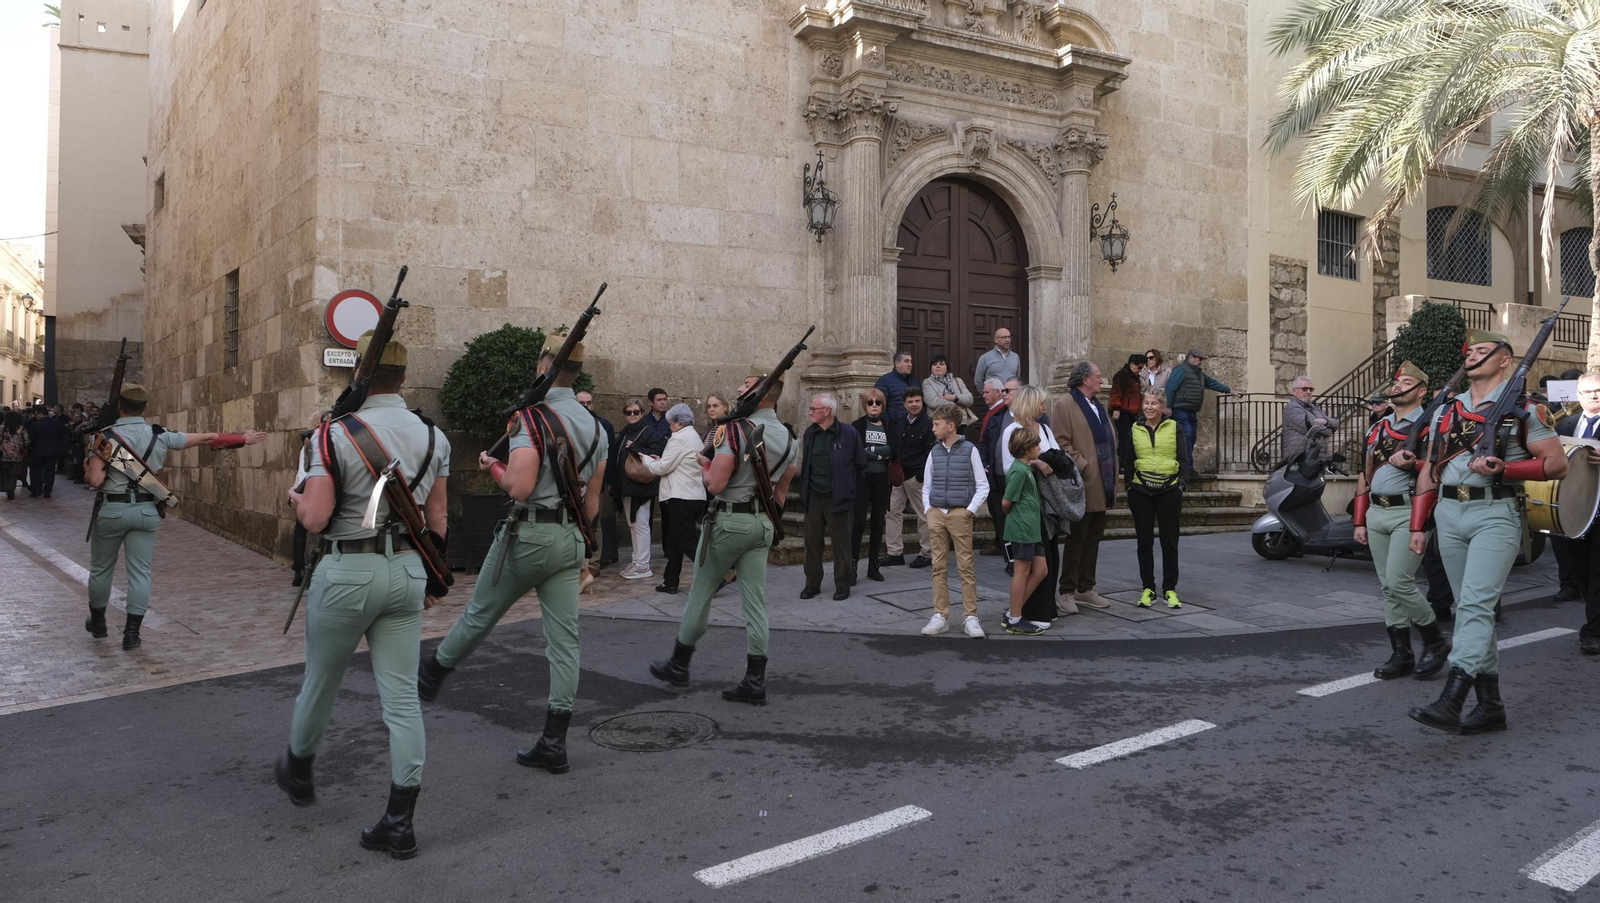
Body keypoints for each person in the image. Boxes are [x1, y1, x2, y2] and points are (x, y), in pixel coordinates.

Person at [274, 333, 446, 858]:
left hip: (348, 569)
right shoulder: (434, 437)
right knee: (400, 698)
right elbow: (437, 520)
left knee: (321, 681)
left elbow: (316, 517)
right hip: (407, 570)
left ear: (359, 375)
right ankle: (400, 820)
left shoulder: (332, 435)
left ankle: (299, 769)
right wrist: (428, 578)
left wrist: (296, 495)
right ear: (403, 376)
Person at [417, 343, 603, 777]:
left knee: (480, 613)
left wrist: (493, 468)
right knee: (564, 641)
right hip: (570, 536)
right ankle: (554, 741)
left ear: (543, 366)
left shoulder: (531, 419)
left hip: (530, 534)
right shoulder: (595, 427)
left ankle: (434, 672)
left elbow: (519, 486)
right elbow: (592, 504)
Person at [1406, 330, 1569, 734]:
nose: (1472, 355)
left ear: (1504, 360)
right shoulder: (1446, 409)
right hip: (1448, 511)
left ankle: (1453, 698)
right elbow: (1430, 469)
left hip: (1495, 512)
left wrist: (1507, 469)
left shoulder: (1526, 408)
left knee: (1477, 606)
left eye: (1483, 351)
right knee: (1467, 608)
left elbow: (1557, 465)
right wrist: (1418, 525)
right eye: (1470, 351)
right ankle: (1491, 706)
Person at [650, 368, 800, 703]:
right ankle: (754, 680)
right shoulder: (790, 438)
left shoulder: (734, 430)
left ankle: (679, 663)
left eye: (745, 386)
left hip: (729, 521)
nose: (739, 389)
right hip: (761, 524)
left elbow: (715, 484)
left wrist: (705, 464)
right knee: (755, 603)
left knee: (701, 592)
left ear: (759, 395)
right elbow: (780, 493)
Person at [85, 384, 265, 649]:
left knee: (102, 569)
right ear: (144, 407)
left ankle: (99, 624)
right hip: (146, 510)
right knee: (140, 573)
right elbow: (206, 438)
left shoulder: (105, 438)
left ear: (119, 406)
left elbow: (95, 479)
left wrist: (90, 466)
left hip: (112, 509)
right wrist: (242, 439)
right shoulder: (160, 435)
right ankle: (132, 634)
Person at [1351, 362, 1450, 680]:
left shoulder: (1430, 425)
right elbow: (1365, 475)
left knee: (1399, 581)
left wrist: (1415, 462)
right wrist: (1359, 519)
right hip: (1376, 512)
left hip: (1408, 511)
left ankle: (1435, 642)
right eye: (1396, 382)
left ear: (1421, 390)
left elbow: (1441, 469)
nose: (1397, 386)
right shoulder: (1378, 428)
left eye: (1406, 382)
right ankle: (1401, 654)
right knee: (1388, 588)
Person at [999, 386, 1071, 623]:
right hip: (1028, 503)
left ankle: (1046, 609)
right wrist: (1037, 463)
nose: (1044, 408)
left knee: (1049, 557)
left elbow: (1058, 455)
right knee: (1032, 563)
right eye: (1041, 403)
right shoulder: (1012, 430)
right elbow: (1010, 468)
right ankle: (1024, 611)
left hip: (1049, 501)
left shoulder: (1046, 429)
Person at [918, 403, 989, 638]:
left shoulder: (970, 450)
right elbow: (926, 484)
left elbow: (982, 485)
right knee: (937, 565)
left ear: (950, 426)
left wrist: (969, 510)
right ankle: (941, 614)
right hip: (937, 513)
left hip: (960, 513)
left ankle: (970, 616)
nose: (933, 429)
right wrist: (929, 510)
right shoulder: (934, 452)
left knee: (965, 566)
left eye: (937, 424)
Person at [1051, 362, 1116, 610]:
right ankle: (1066, 591)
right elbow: (1060, 442)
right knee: (1077, 538)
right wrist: (1084, 464)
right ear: (1085, 379)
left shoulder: (1097, 405)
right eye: (1098, 377)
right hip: (1082, 483)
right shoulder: (1064, 405)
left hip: (1103, 482)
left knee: (1094, 537)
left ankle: (1085, 588)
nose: (1101, 380)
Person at [1123, 389, 1187, 608]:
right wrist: (1130, 486)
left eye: (1154, 404)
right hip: (1141, 491)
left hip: (1169, 491)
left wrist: (1181, 485)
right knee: (1144, 542)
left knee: (1169, 542)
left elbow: (1183, 458)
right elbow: (1128, 459)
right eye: (1146, 403)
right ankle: (1148, 588)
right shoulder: (1135, 428)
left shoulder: (1174, 427)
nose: (1149, 407)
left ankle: (1170, 589)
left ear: (1162, 407)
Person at [798, 393, 864, 601]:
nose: (810, 412)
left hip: (839, 498)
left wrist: (849, 490)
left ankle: (843, 583)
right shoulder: (810, 433)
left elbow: (860, 464)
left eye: (814, 409)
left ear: (827, 411)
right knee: (811, 543)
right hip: (814, 497)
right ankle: (812, 583)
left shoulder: (848, 433)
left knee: (841, 543)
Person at [639, 403, 707, 594]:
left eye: (671, 423)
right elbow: (675, 463)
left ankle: (717, 575)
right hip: (692, 495)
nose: (669, 426)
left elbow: (661, 469)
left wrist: (646, 459)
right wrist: (659, 460)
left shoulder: (679, 438)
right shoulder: (692, 436)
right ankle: (670, 582)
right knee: (675, 542)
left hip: (681, 496)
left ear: (678, 423)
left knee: (685, 540)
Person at [1562, 370, 1600, 654]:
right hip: (1574, 510)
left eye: (1598, 391)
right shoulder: (1566, 423)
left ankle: (1593, 632)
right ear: (1578, 395)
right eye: (1587, 392)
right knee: (1581, 569)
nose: (1594, 396)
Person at [1001, 428, 1049, 636]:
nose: (1039, 448)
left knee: (1041, 570)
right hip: (1022, 528)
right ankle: (1014, 619)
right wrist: (1019, 516)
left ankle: (1014, 611)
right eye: (1037, 445)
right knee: (1022, 572)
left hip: (1031, 528)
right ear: (1028, 448)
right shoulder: (1019, 470)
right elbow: (1006, 502)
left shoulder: (1025, 467)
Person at [612, 397, 665, 580]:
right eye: (628, 412)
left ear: (642, 413)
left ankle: (643, 565)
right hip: (627, 486)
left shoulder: (649, 432)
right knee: (633, 524)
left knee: (640, 524)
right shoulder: (627, 431)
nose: (632, 415)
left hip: (641, 486)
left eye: (636, 412)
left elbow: (656, 452)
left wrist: (635, 447)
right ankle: (637, 560)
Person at [1165, 348, 1243, 468]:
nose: (1201, 362)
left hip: (1191, 411)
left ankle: (1186, 466)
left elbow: (1212, 383)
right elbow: (1170, 388)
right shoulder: (1181, 370)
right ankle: (1186, 467)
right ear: (1191, 358)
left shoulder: (1199, 374)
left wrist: (1229, 390)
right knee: (1187, 435)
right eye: (1199, 359)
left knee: (1191, 438)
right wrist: (1168, 406)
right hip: (1180, 410)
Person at [882, 387, 934, 568]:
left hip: (915, 477)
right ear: (905, 404)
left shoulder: (928, 424)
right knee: (892, 513)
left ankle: (927, 553)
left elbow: (931, 451)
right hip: (898, 475)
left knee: (924, 515)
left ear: (922, 402)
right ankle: (894, 553)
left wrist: (921, 475)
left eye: (917, 401)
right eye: (910, 402)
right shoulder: (899, 422)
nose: (914, 405)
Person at [851, 388, 894, 583]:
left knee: (878, 523)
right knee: (858, 523)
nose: (874, 405)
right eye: (870, 402)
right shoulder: (857, 425)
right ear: (865, 405)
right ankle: (852, 566)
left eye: (878, 402)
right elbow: (857, 451)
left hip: (882, 479)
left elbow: (893, 449)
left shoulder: (889, 425)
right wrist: (880, 453)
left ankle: (873, 565)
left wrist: (872, 452)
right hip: (862, 478)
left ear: (883, 405)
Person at [577, 389, 619, 572]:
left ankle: (593, 563)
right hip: (573, 482)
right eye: (581, 403)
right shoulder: (567, 424)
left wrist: (608, 480)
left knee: (594, 521)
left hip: (596, 481)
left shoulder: (604, 426)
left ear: (593, 405)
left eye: (588, 403)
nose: (585, 406)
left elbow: (609, 456)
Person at [976, 377, 1009, 559]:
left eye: (987, 392)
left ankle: (1005, 548)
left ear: (998, 392)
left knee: (999, 510)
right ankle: (999, 543)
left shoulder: (1000, 412)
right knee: (994, 509)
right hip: (989, 465)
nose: (984, 395)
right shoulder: (992, 412)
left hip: (998, 469)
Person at [1282, 375, 1340, 462]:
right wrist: (1328, 430)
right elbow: (1312, 428)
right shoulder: (1291, 408)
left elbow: (1335, 423)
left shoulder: (1314, 408)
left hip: (1317, 457)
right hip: (1300, 457)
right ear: (1294, 391)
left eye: (1311, 389)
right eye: (1304, 389)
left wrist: (1325, 421)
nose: (1308, 392)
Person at [1109, 354, 1145, 484]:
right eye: (1139, 367)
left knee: (1130, 439)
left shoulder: (1135, 378)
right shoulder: (1122, 375)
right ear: (1132, 364)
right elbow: (1116, 392)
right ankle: (1121, 464)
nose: (1140, 370)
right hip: (1123, 412)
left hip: (1132, 413)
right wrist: (1116, 408)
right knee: (1124, 438)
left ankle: (1126, 463)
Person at [24, 405, 70, 498]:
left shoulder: (35, 425)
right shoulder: (56, 423)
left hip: (37, 451)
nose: (36, 417)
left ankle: (36, 490)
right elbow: (62, 435)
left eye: (36, 414)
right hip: (52, 451)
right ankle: (48, 491)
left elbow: (32, 438)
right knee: (50, 471)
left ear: (40, 414)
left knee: (36, 471)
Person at [922, 354, 975, 425]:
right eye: (934, 364)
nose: (938, 366)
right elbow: (933, 402)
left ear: (947, 368)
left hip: (960, 422)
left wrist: (954, 397)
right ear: (931, 369)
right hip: (939, 423)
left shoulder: (958, 381)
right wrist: (957, 407)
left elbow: (969, 399)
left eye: (941, 364)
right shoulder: (927, 383)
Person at [874, 351, 919, 422]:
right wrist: (889, 426)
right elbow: (880, 406)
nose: (910, 364)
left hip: (914, 426)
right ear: (897, 363)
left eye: (910, 361)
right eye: (906, 361)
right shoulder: (884, 381)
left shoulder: (915, 381)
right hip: (895, 427)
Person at [1, 409, 28, 500]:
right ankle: (12, 489)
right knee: (14, 474)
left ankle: (7, 488)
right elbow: (27, 440)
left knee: (5, 473)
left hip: (4, 454)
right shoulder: (21, 428)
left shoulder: (2, 428)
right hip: (17, 455)